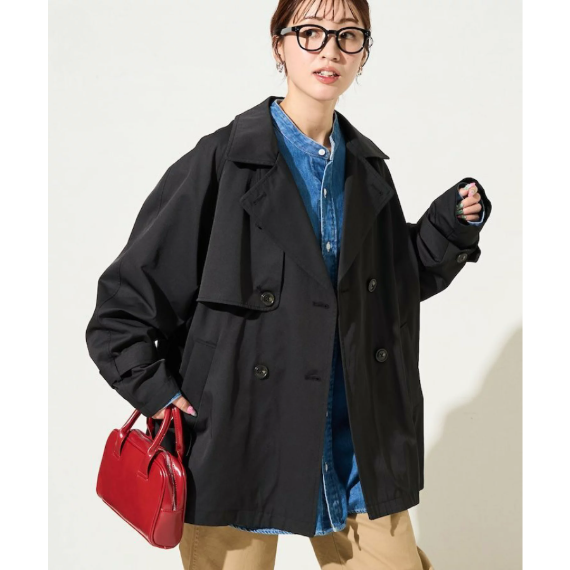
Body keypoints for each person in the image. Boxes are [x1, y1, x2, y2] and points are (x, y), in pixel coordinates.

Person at [86, 0, 491, 568]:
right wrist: (157, 392)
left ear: (364, 53)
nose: (330, 49)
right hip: (240, 437)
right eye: (311, 32)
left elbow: (392, 287)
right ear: (279, 43)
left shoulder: (366, 169)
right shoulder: (223, 160)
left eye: (348, 35)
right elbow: (123, 306)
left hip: (354, 437)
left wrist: (448, 228)